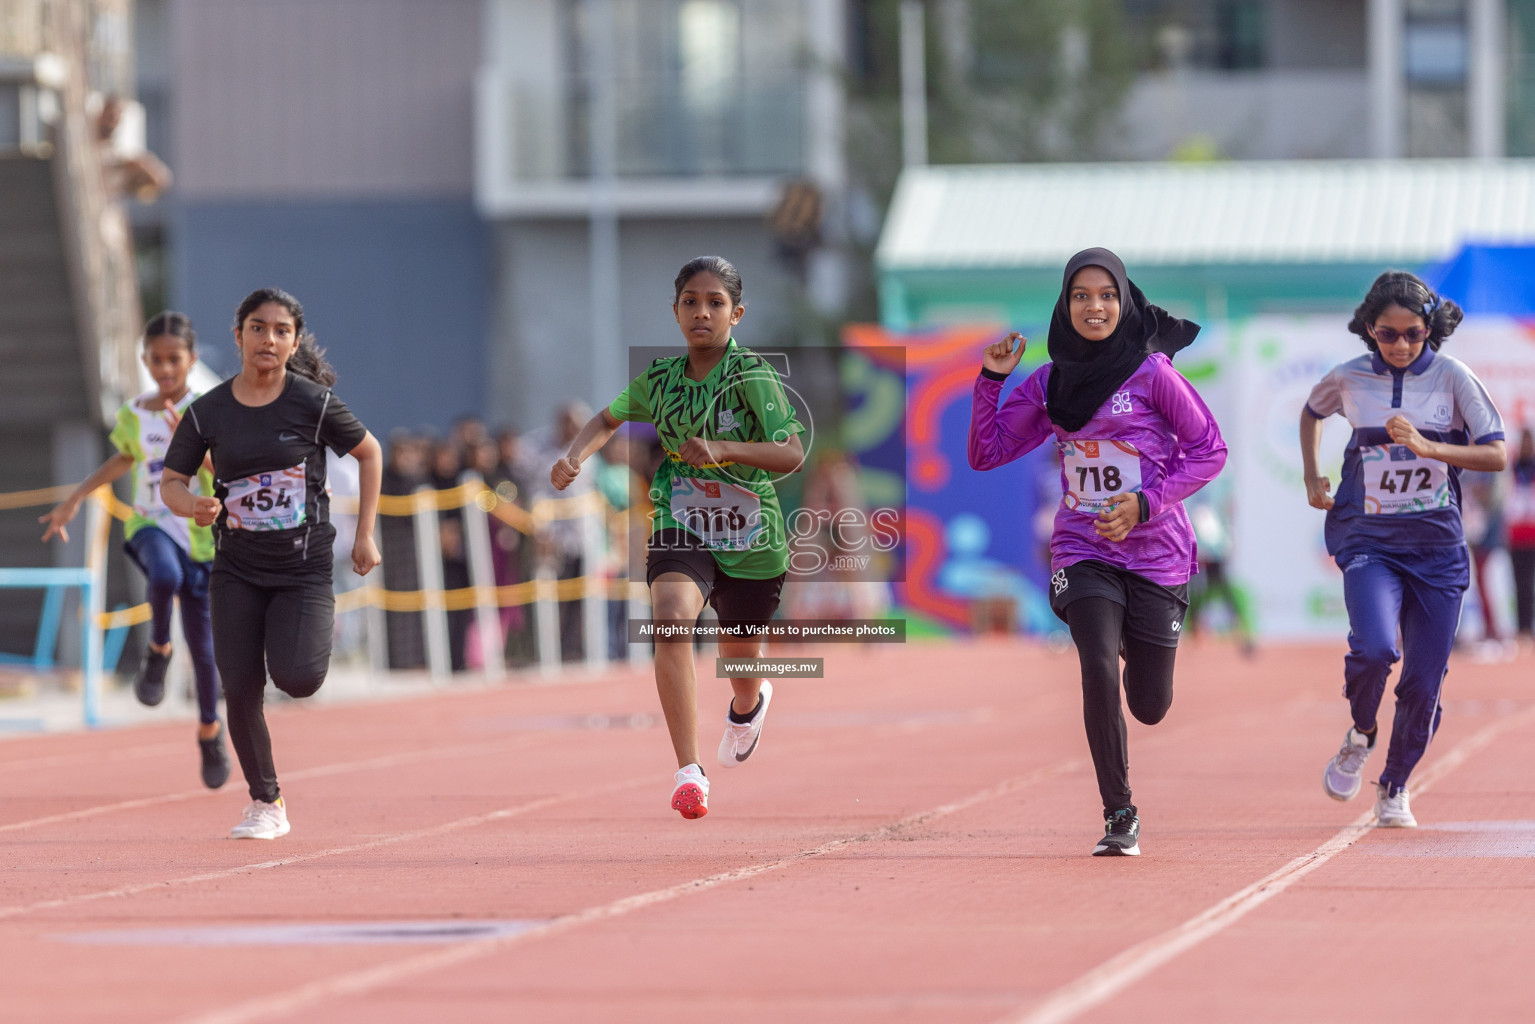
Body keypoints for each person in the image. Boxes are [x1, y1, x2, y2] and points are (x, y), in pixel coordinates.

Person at [969, 247, 1227, 857]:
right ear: (1065, 304)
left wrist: (1146, 503)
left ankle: (1146, 657)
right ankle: (1119, 812)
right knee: (1094, 664)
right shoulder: (1051, 382)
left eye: (1107, 295)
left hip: (1157, 553)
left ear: (1124, 301)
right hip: (1083, 548)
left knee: (1150, 705)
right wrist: (990, 381)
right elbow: (987, 451)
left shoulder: (1154, 374)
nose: (1095, 306)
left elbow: (1209, 451)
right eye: (1081, 295)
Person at [550, 255, 805, 819]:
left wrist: (725, 448)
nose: (702, 313)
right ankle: (689, 770)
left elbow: (791, 453)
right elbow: (606, 420)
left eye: (715, 303)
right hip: (680, 518)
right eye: (691, 302)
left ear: (736, 314)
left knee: (739, 657)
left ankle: (749, 702)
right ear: (675, 311)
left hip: (750, 533)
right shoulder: (659, 380)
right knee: (670, 613)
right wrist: (574, 457)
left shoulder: (752, 377)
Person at [160, 288, 382, 840]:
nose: (269, 339)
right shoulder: (207, 411)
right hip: (235, 566)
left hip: (302, 567)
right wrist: (192, 504)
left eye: (281, 330)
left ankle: (271, 779)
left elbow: (371, 452)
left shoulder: (312, 403)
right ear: (238, 336)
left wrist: (366, 537)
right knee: (240, 685)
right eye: (258, 328)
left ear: (294, 340)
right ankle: (267, 801)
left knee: (299, 679)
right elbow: (172, 480)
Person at [1303, 271, 1505, 828]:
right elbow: (1312, 412)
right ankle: (1362, 732)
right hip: (1370, 538)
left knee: (1422, 683)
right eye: (1387, 334)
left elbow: (1496, 456)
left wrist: (1426, 444)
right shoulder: (1349, 378)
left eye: (1413, 334)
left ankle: (1394, 784)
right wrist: (1311, 476)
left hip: (1437, 548)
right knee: (1372, 650)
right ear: (1370, 330)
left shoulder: (1452, 377)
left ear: (1429, 330)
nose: (1400, 345)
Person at [40, 311, 230, 788]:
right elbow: (123, 458)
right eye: (157, 361)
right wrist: (74, 499)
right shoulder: (134, 413)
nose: (166, 370)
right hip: (151, 523)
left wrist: (191, 435)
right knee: (162, 576)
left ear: (191, 359)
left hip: (202, 538)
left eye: (175, 360)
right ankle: (159, 648)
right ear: (145, 360)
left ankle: (210, 730)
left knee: (206, 653)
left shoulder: (211, 408)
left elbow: (226, 470)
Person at [1507, 428, 1535, 644]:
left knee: (1529, 584)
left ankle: (1529, 627)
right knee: (1519, 584)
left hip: (1533, 533)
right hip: (1517, 534)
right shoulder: (1513, 466)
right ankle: (1522, 629)